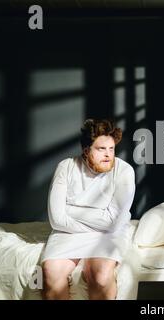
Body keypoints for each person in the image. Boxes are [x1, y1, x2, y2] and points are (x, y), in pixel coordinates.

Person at [40, 119, 135, 300]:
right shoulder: (66, 167)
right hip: (67, 233)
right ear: (86, 151)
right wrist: (99, 222)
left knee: (100, 277)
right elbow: (57, 220)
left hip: (108, 235)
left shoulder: (125, 171)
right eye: (101, 149)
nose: (108, 155)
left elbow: (113, 223)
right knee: (51, 274)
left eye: (111, 149)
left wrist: (70, 208)